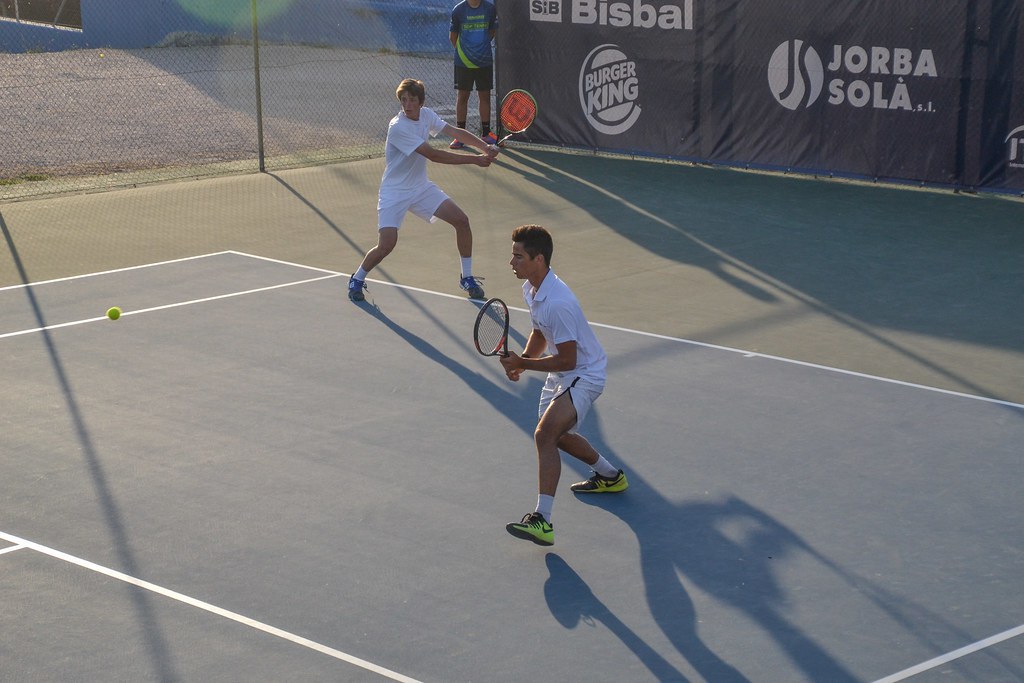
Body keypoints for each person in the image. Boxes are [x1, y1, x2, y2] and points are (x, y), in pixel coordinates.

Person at [499, 225, 628, 546]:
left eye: (518, 256)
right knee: (557, 436)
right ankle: (611, 477)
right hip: (564, 373)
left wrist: (523, 363)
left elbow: (568, 360)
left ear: (538, 259)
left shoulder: (558, 302)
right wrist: (525, 359)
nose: (511, 262)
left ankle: (541, 520)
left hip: (585, 373)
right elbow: (540, 332)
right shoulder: (531, 289)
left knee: (544, 435)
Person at [347, 78, 498, 302]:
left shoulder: (426, 115)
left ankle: (467, 277)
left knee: (461, 221)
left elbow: (454, 131)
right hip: (394, 192)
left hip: (420, 188)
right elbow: (433, 155)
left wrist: (485, 146)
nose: (407, 105)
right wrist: (475, 160)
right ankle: (357, 279)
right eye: (403, 100)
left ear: (421, 102)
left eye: (412, 100)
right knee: (386, 245)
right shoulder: (398, 127)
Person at [449, 0, 498, 149]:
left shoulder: (490, 9)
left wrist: (479, 49)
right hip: (463, 63)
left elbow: (492, 32)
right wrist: (466, 52)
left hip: (484, 61)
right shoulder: (458, 10)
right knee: (462, 97)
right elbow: (453, 37)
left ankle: (486, 133)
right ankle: (460, 136)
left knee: (485, 97)